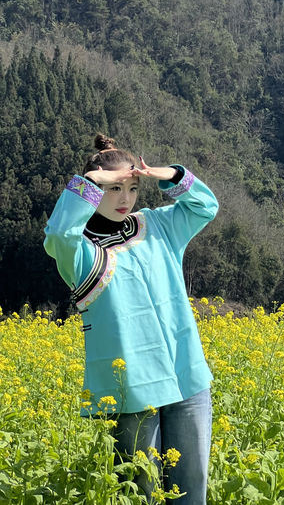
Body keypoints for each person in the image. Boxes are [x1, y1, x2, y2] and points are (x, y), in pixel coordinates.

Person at [44, 133, 219, 505]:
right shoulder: (81, 254)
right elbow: (59, 232)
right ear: (95, 190)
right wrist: (89, 183)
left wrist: (170, 174)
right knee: (141, 493)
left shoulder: (158, 226)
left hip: (187, 376)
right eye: (114, 189)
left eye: (133, 188)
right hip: (131, 393)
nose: (125, 199)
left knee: (192, 486)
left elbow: (205, 206)